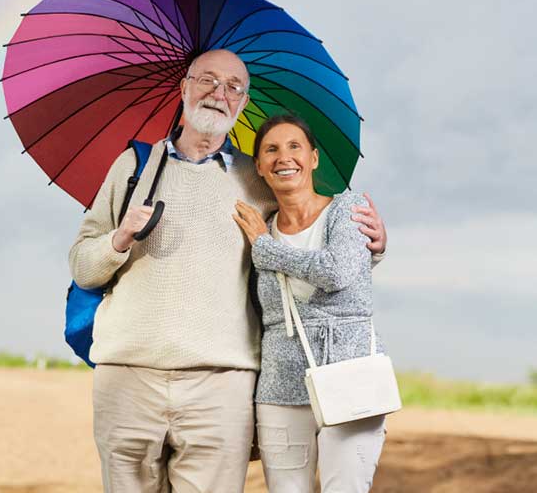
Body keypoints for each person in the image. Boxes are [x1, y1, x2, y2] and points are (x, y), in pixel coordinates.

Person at [69, 49, 386, 493]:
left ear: (242, 102)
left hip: (223, 386)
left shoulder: (257, 179)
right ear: (183, 88)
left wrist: (371, 248)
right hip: (128, 378)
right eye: (207, 80)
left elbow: (309, 234)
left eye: (234, 86)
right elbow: (83, 267)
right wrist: (119, 239)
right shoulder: (133, 168)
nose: (220, 93)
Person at [233, 114, 388, 493]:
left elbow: (335, 272)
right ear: (259, 166)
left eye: (294, 146)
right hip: (280, 389)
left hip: (351, 377)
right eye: (271, 149)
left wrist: (266, 250)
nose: (283, 157)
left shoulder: (347, 210)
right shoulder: (259, 226)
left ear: (314, 158)